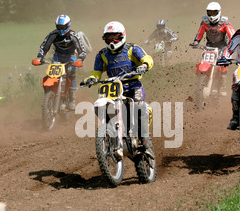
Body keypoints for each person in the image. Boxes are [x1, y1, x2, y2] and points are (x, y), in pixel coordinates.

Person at [81, 21, 154, 150]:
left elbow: (147, 58)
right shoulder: (102, 55)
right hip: (113, 87)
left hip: (132, 85)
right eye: (108, 38)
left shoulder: (132, 49)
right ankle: (110, 135)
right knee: (102, 106)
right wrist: (91, 79)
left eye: (115, 37)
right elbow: (96, 73)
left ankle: (144, 138)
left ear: (122, 36)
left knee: (139, 105)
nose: (112, 41)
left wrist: (144, 66)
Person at [36, 15, 87, 110]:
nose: (61, 29)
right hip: (57, 57)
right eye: (59, 27)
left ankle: (71, 100)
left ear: (68, 25)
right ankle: (48, 96)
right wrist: (40, 57)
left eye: (63, 27)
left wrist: (80, 59)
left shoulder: (73, 36)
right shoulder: (53, 35)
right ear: (56, 26)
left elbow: (82, 50)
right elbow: (44, 46)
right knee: (51, 75)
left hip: (71, 57)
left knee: (71, 75)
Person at [190, 2, 235, 95]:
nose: (212, 15)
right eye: (210, 13)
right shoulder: (205, 22)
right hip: (209, 47)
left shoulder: (224, 22)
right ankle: (201, 82)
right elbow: (200, 33)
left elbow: (233, 36)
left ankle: (222, 86)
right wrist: (196, 42)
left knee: (223, 63)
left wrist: (232, 44)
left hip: (222, 47)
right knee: (202, 62)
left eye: (214, 13)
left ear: (219, 12)